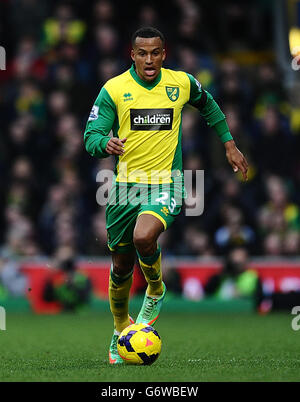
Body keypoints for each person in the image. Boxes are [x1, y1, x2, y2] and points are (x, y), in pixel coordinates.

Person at [83, 27, 249, 364]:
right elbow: (91, 135)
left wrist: (229, 144)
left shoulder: (181, 83)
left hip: (167, 183)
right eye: (142, 53)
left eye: (155, 52)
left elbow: (210, 106)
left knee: (145, 236)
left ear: (164, 53)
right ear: (132, 54)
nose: (149, 59)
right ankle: (120, 330)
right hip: (124, 189)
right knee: (120, 267)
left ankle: (156, 289)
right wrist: (105, 143)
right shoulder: (114, 89)